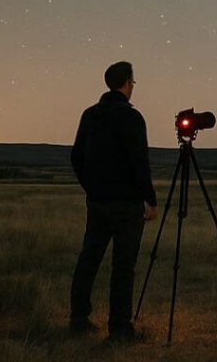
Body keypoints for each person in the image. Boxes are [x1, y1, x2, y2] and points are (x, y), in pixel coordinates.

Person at [69, 61, 158, 342]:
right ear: (127, 83)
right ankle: (119, 329)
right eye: (133, 82)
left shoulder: (90, 115)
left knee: (89, 258)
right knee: (123, 266)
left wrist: (91, 187)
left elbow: (76, 157)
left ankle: (78, 319)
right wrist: (150, 199)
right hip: (127, 204)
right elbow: (140, 162)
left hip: (97, 201)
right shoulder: (131, 117)